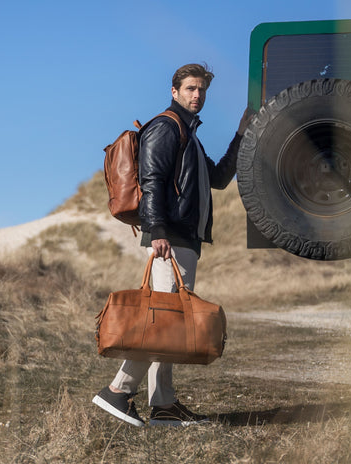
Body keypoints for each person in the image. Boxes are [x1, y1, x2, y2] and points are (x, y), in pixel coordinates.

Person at [92, 63, 248, 427]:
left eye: (202, 90)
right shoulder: (165, 127)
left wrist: (243, 133)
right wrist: (158, 229)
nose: (198, 95)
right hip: (169, 236)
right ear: (174, 91)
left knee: (168, 319)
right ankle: (118, 391)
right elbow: (151, 181)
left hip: (183, 237)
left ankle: (163, 405)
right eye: (191, 89)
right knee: (162, 322)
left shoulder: (189, 135)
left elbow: (221, 177)